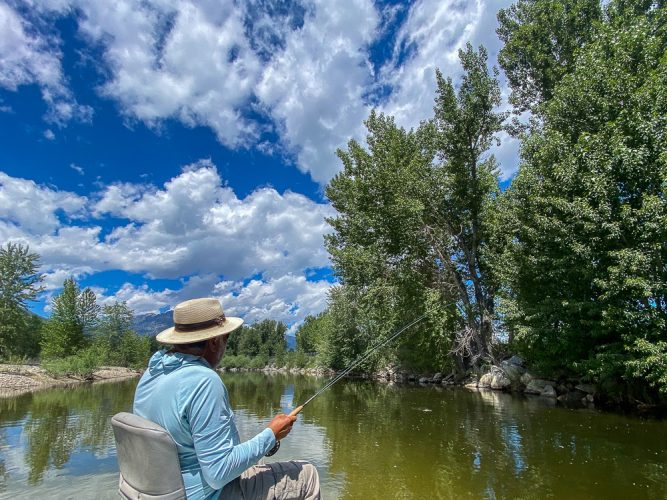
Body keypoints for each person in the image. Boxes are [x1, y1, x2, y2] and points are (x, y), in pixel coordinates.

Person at [133, 297, 321, 500]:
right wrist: (271, 435)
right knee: (307, 474)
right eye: (226, 338)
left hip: (157, 491)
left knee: (255, 464)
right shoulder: (203, 381)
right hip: (204, 494)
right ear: (214, 341)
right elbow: (218, 474)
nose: (225, 347)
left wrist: (268, 440)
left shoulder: (152, 372)